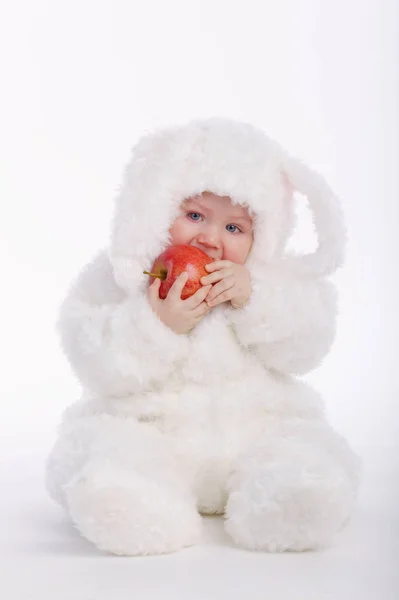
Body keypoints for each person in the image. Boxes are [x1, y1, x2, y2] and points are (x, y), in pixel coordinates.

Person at [46, 117, 360, 556]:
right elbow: (90, 353)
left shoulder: (273, 280)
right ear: (156, 210)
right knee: (108, 448)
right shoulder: (123, 275)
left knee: (299, 443)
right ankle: (133, 499)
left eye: (235, 228)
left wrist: (257, 300)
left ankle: (288, 495)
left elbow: (309, 345)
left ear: (262, 236)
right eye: (195, 216)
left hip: (255, 424)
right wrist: (154, 324)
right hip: (152, 429)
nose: (211, 239)